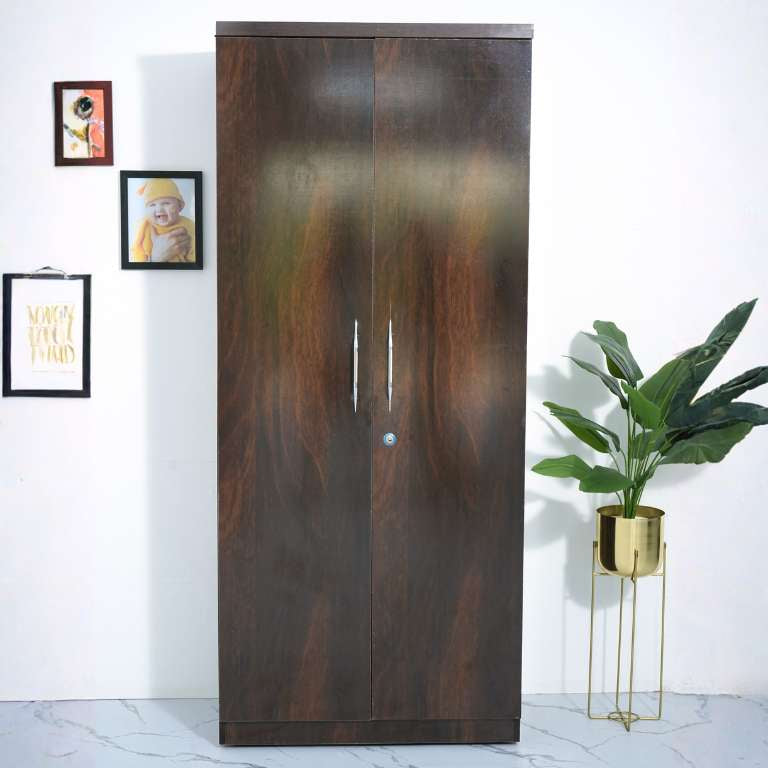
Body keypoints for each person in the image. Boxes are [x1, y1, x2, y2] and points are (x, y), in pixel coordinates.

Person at [130, 179, 195, 263]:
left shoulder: (188, 225)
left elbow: (195, 254)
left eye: (166, 203)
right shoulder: (144, 226)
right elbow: (136, 250)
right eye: (152, 205)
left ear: (179, 206)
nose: (159, 209)